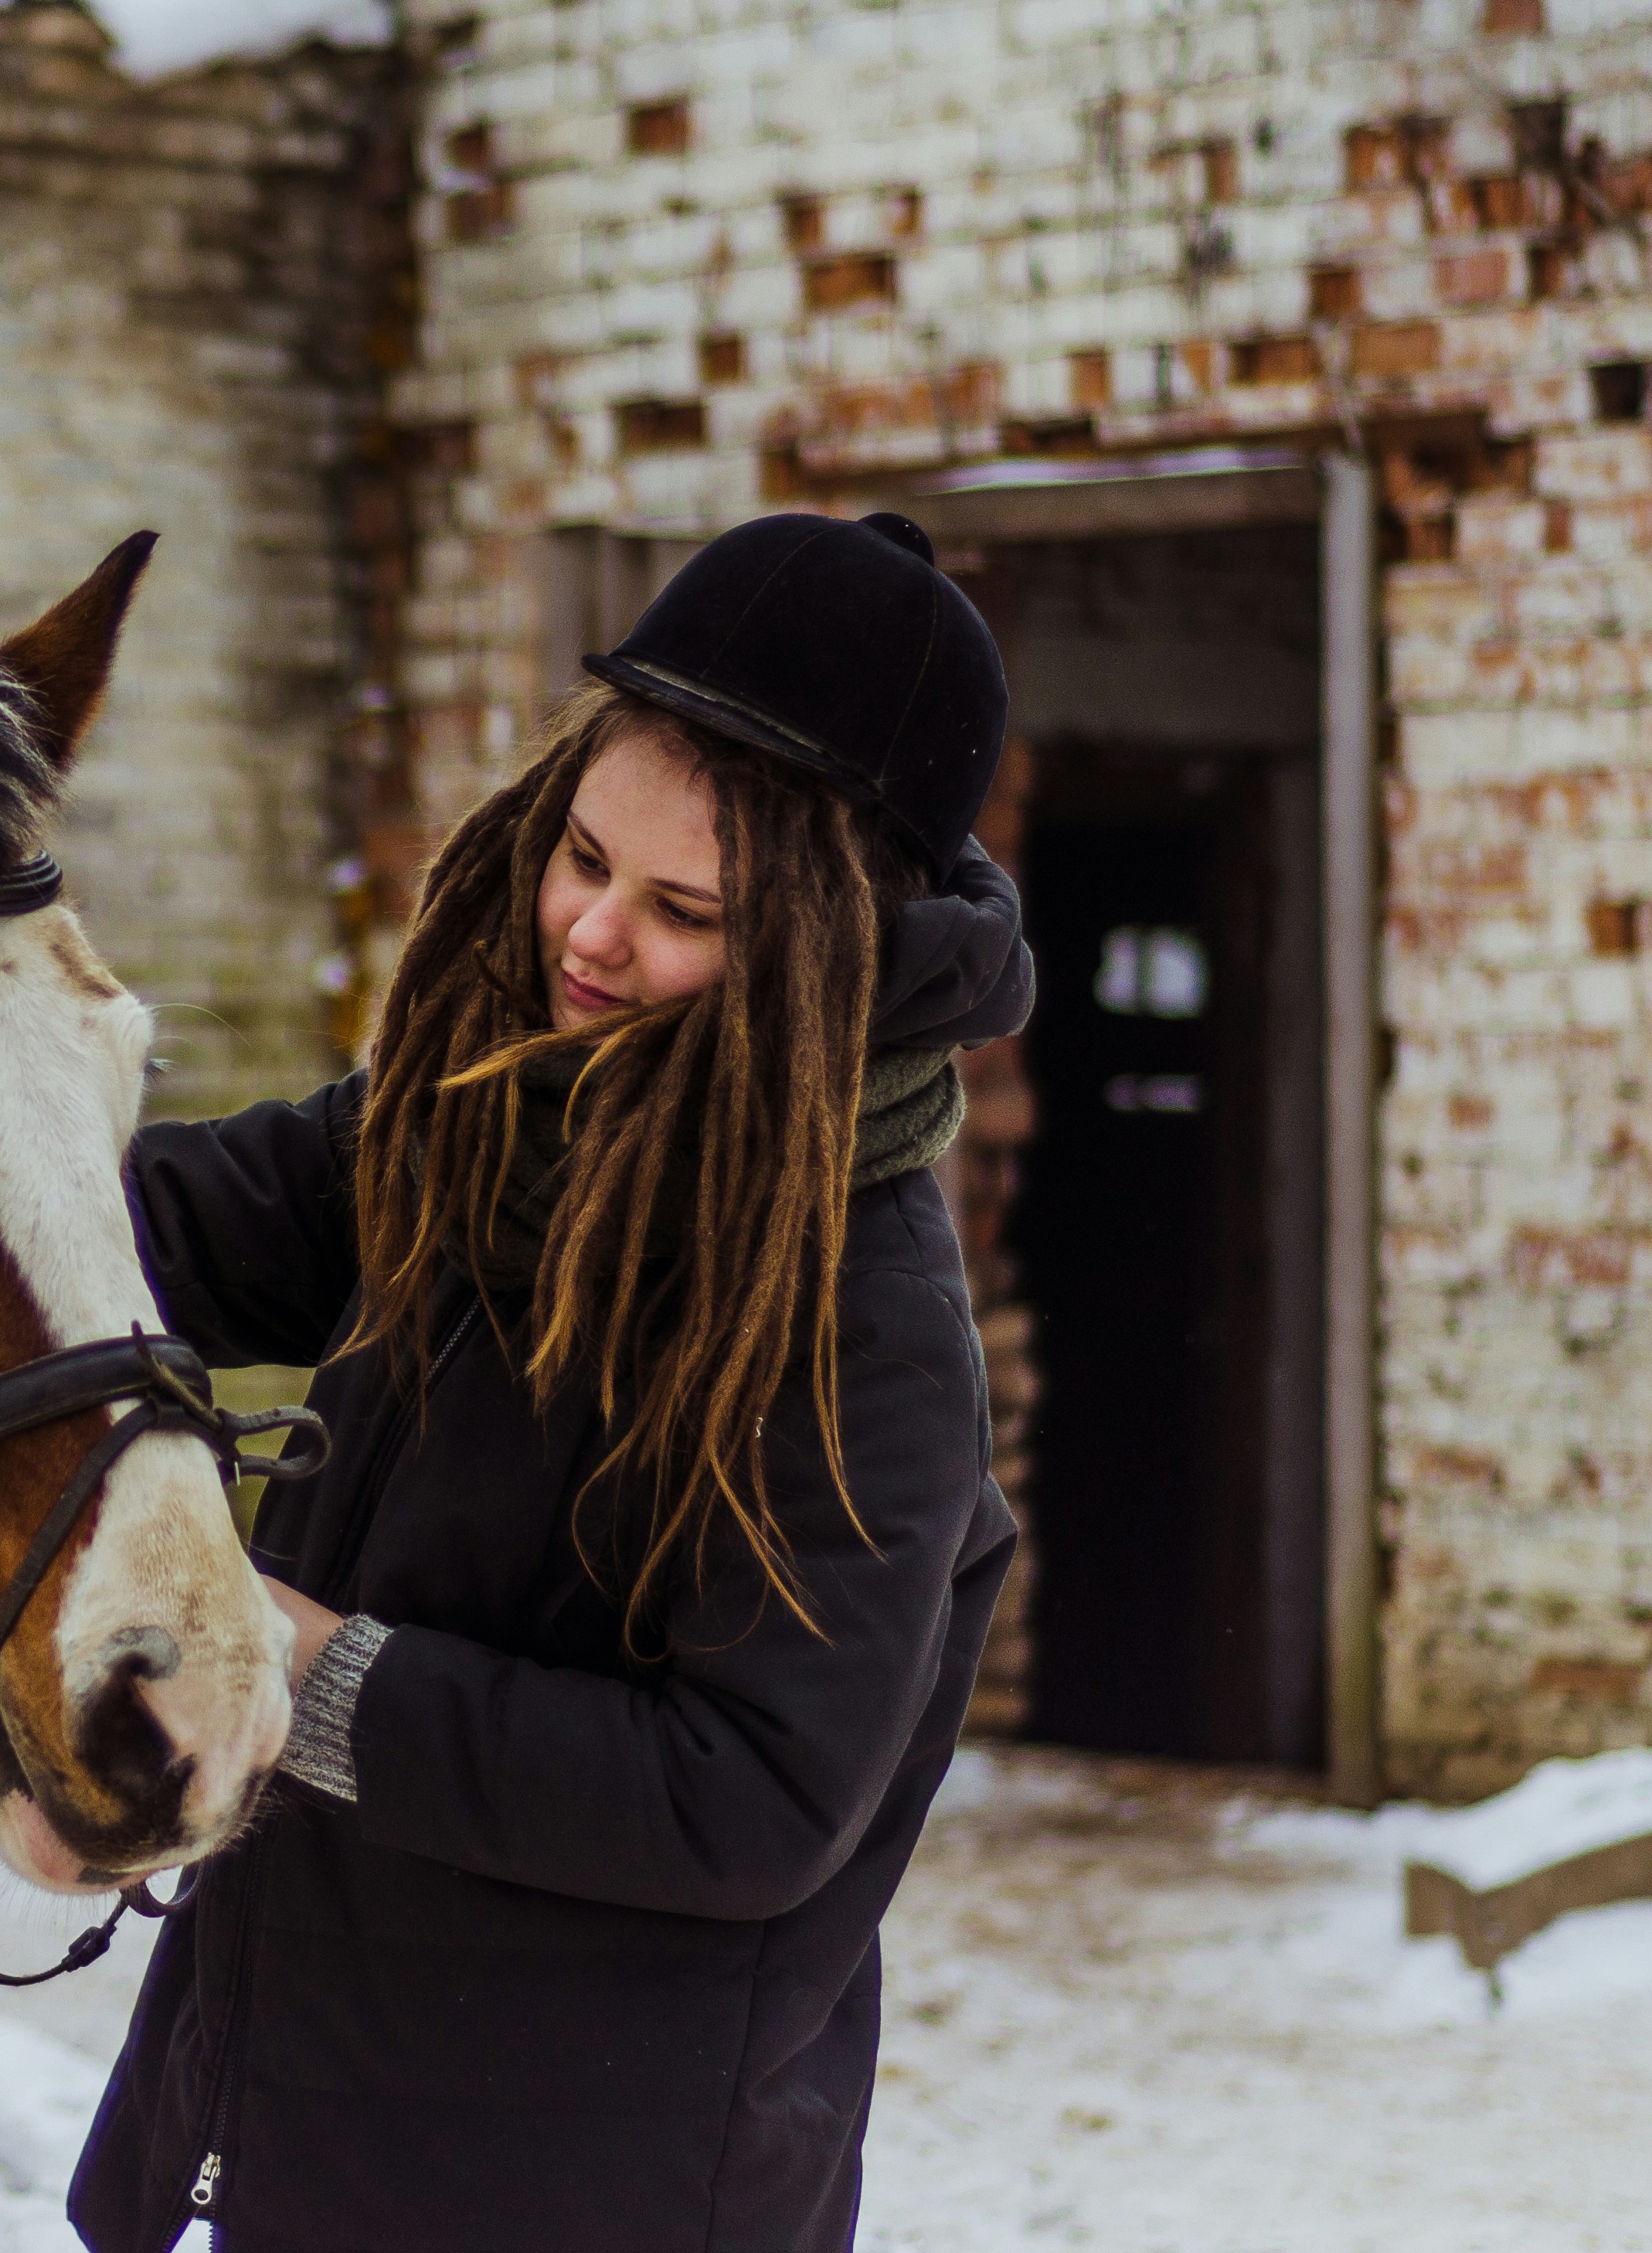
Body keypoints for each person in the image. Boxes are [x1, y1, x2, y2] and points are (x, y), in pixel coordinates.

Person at [67, 510, 1032, 2253]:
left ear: (825, 943)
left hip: (590, 2189)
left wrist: (304, 1673)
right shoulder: (482, 1116)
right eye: (580, 855)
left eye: (680, 912)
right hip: (290, 2120)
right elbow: (151, 1239)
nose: (587, 933)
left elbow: (749, 1798)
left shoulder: (859, 1314)